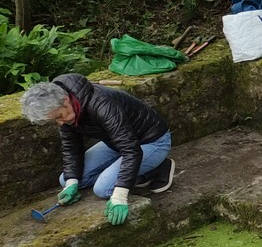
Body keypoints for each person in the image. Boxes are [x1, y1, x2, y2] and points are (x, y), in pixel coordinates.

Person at [20, 75, 177, 226]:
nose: (60, 123)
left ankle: (157, 167)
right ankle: (131, 169)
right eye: (55, 120)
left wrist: (120, 196)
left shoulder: (101, 104)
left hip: (151, 142)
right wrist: (71, 183)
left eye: (59, 116)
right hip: (115, 143)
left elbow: (130, 150)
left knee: (103, 189)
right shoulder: (66, 109)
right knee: (67, 180)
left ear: (66, 100)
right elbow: (71, 148)